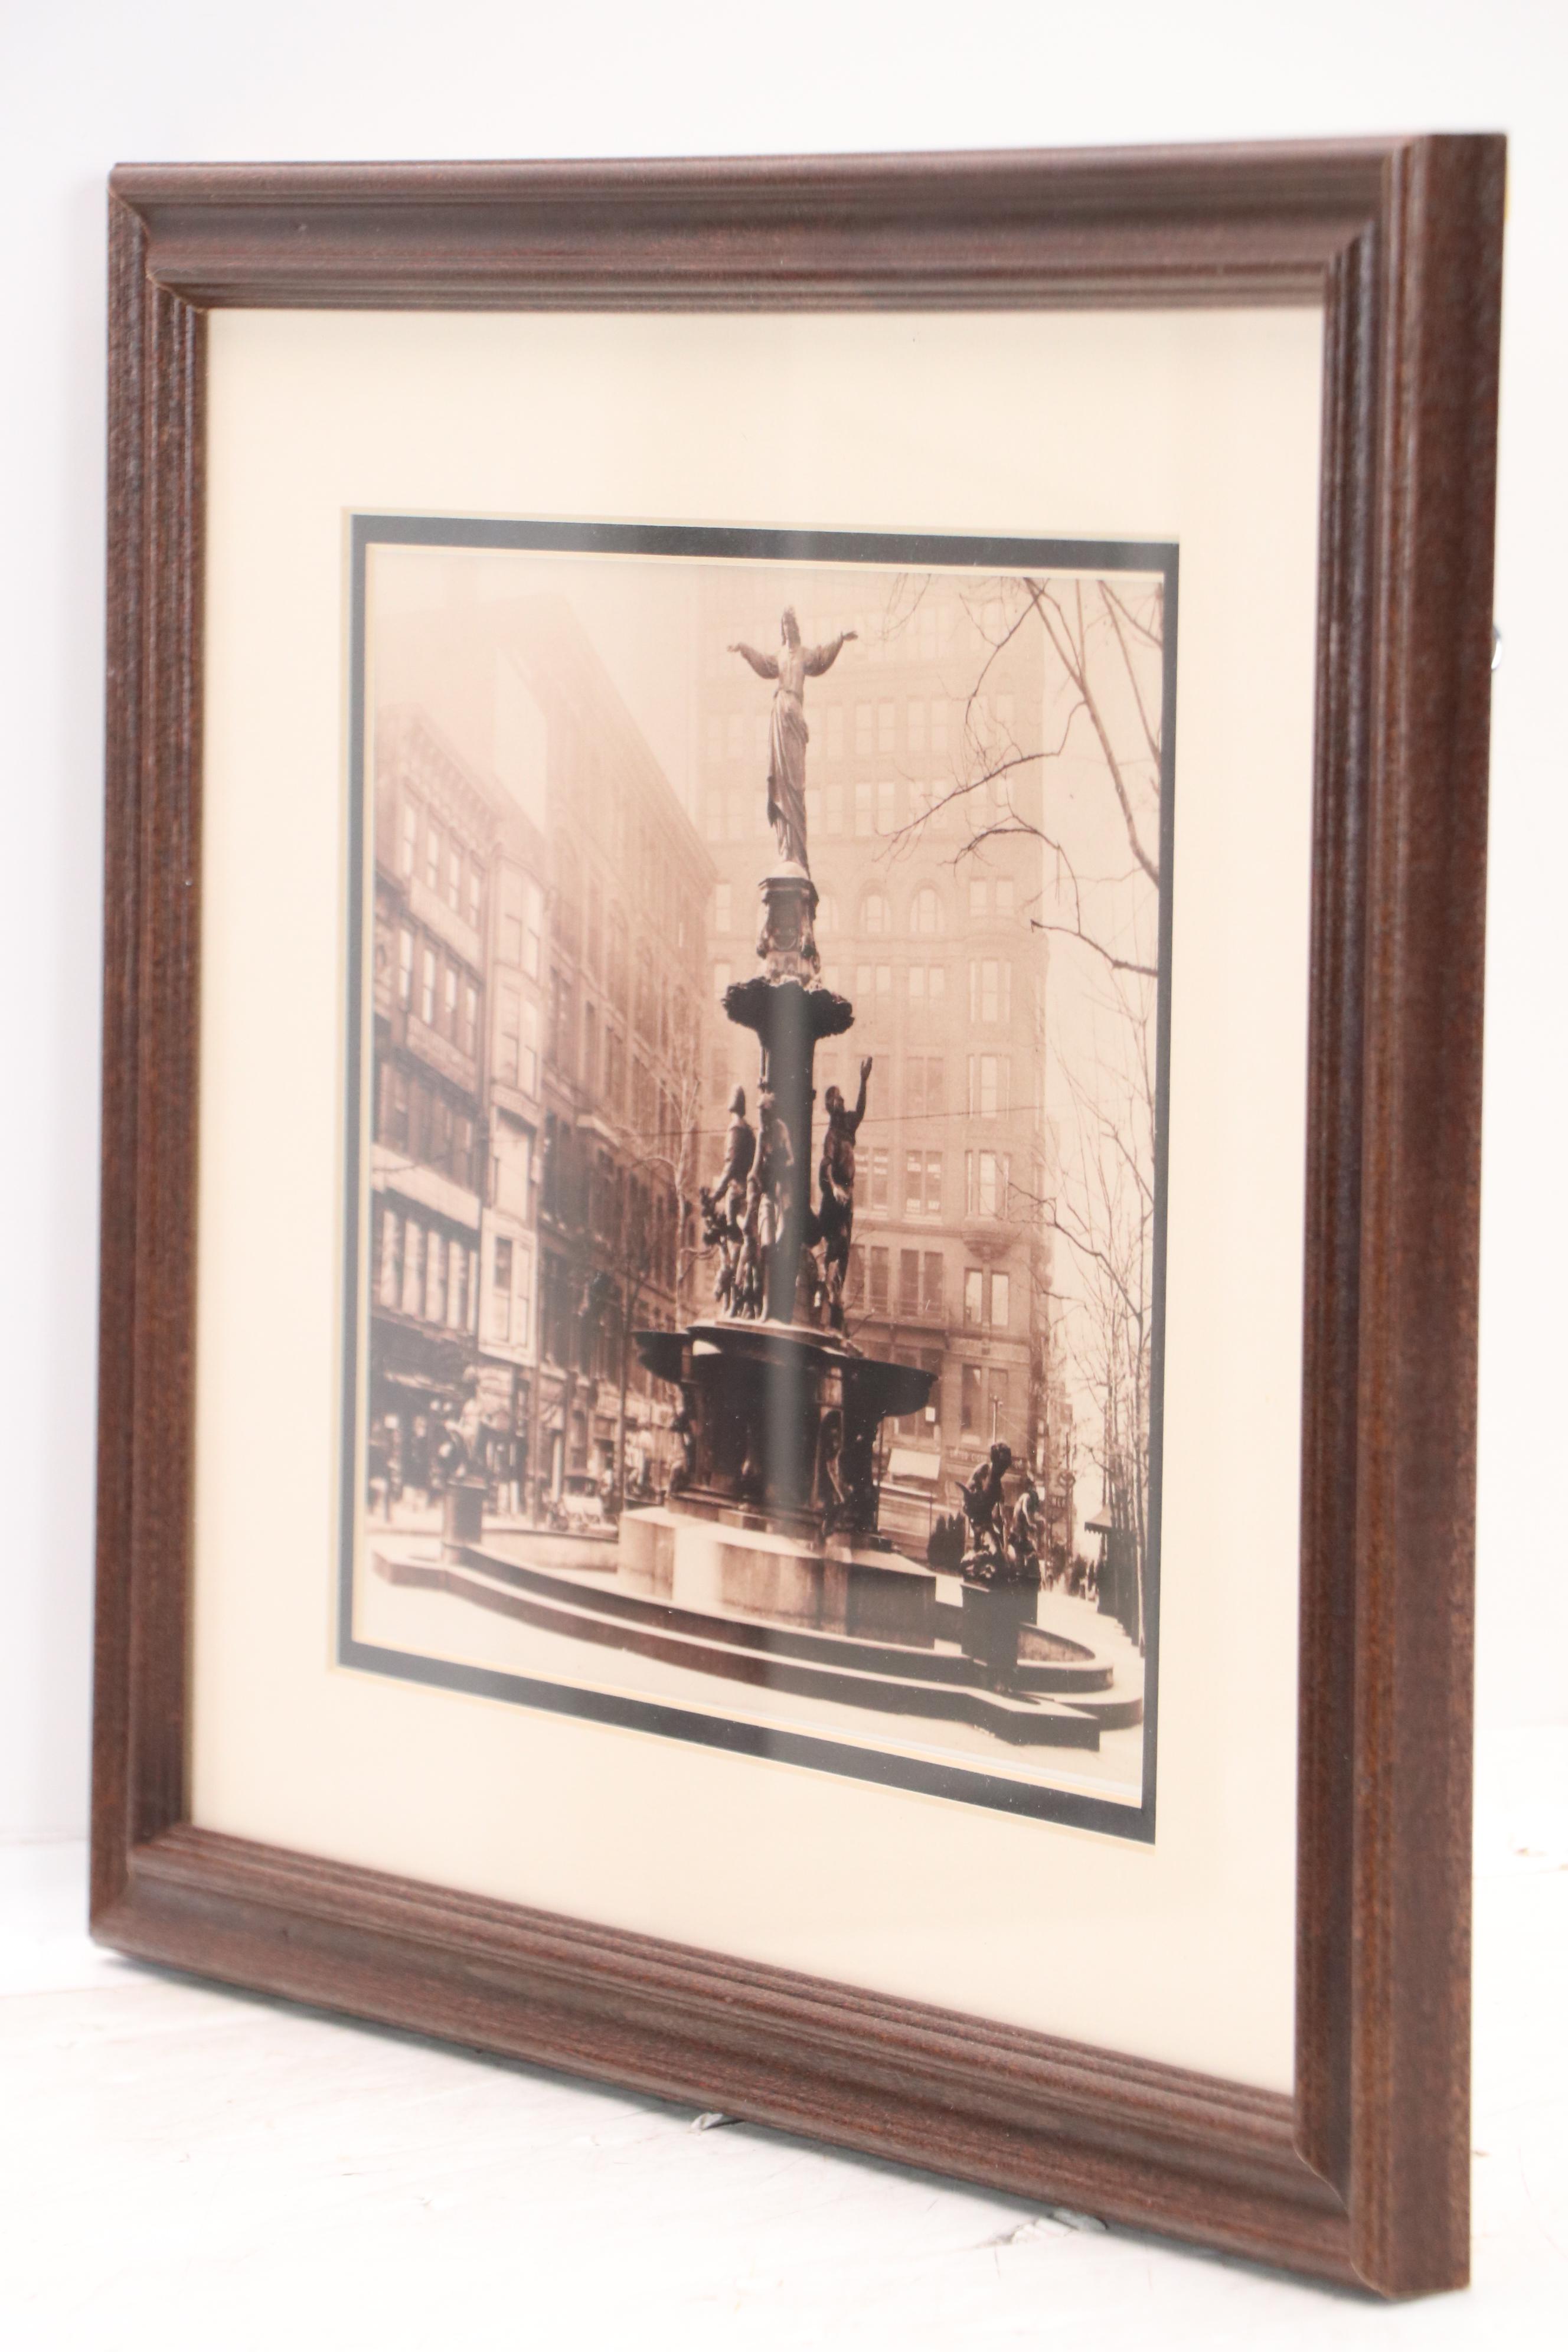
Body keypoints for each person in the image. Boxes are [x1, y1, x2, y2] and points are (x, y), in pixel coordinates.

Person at [729, 609, 857, 873]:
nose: (787, 628)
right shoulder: (778, 657)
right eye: (783, 624)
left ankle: (798, 851)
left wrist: (839, 640)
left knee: (795, 785)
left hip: (794, 715)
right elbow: (762, 663)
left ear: (795, 627)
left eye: (790, 624)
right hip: (779, 715)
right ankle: (786, 848)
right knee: (781, 782)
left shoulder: (804, 654)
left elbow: (822, 658)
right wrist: (744, 649)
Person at [818, 1058, 873, 1331]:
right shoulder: (831, 1135)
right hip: (835, 1197)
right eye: (837, 1100)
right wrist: (835, 1187)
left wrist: (864, 1080)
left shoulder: (847, 1127)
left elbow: (860, 1111)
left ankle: (834, 1295)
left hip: (848, 1197)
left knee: (845, 1249)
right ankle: (824, 1287)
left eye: (842, 1098)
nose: (842, 1102)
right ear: (830, 1107)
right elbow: (826, 1166)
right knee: (836, 1243)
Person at [701, 1086, 755, 1310]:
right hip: (747, 1191)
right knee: (736, 1247)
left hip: (735, 1193)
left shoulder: (735, 1128)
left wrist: (716, 1195)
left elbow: (731, 1165)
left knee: (732, 1248)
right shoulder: (750, 1130)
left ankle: (729, 1298)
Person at [958, 1442, 1013, 1574]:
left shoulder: (998, 1486)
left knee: (998, 1557)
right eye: (1001, 1467)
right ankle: (972, 1567)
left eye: (1005, 1468)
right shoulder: (983, 1471)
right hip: (977, 1518)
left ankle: (978, 1567)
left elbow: (1000, 1513)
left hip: (986, 1522)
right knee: (991, 1556)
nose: (1003, 1471)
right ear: (995, 1461)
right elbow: (968, 1494)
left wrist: (1003, 1527)